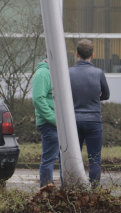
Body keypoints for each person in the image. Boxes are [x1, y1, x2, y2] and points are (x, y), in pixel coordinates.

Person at [68, 39, 110, 186]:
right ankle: (94, 190)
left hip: (73, 120)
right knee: (94, 158)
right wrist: (95, 97)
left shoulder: (68, 73)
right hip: (93, 120)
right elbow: (106, 95)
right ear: (92, 54)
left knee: (74, 159)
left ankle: (74, 189)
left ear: (77, 54)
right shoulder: (98, 73)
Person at [33, 59, 59, 187]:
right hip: (50, 124)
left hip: (58, 124)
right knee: (49, 160)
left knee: (63, 160)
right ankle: (46, 192)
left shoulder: (56, 72)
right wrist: (54, 120)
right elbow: (38, 99)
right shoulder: (43, 73)